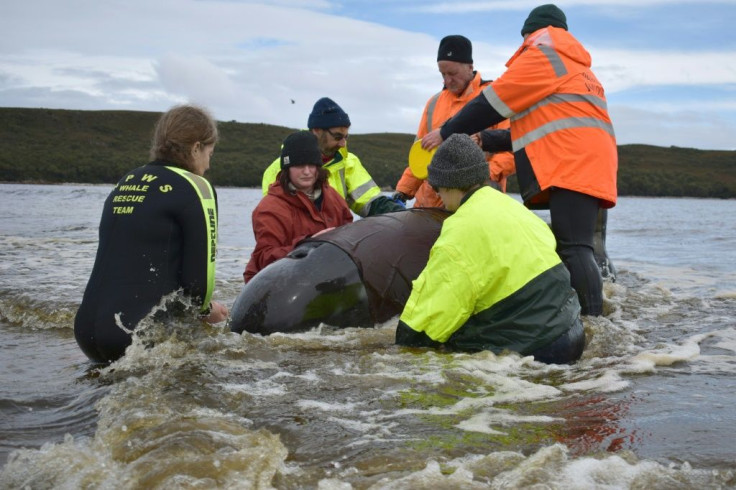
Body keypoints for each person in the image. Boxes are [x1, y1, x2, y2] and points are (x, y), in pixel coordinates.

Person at [421, 4, 617, 316]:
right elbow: (542, 130)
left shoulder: (544, 57)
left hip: (571, 163)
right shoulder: (578, 68)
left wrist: (447, 131)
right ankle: (594, 315)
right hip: (588, 161)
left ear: (530, 34)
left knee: (575, 247)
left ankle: (593, 324)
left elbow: (492, 103)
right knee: (581, 246)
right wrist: (488, 139)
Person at [395, 134, 584, 364]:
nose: (437, 195)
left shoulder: (461, 228)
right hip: (572, 329)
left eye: (437, 187)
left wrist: (404, 348)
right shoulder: (513, 207)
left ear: (448, 184)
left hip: (539, 347)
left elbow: (433, 312)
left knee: (446, 344)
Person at [74, 104, 229, 363]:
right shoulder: (197, 186)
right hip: (135, 333)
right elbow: (199, 281)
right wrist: (207, 311)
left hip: (86, 330)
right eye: (209, 154)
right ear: (195, 148)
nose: (208, 165)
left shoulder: (128, 180)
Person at [393, 35, 515, 207]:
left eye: (452, 73)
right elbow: (419, 155)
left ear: (469, 67)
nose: (447, 80)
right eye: (443, 74)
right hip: (428, 206)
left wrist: (480, 176)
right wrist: (403, 192)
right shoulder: (433, 103)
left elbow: (512, 151)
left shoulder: (494, 98)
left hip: (476, 204)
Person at [261, 97, 404, 217]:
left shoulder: (349, 162)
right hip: (301, 247)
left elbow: (371, 202)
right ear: (316, 131)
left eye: (346, 137)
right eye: (337, 137)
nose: (343, 144)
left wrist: (401, 215)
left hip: (337, 244)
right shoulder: (278, 170)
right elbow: (275, 220)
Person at [245, 131, 353, 283]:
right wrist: (308, 245)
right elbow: (265, 258)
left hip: (321, 279)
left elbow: (350, 237)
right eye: (300, 165)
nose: (307, 171)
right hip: (273, 285)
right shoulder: (269, 208)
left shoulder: (333, 197)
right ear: (287, 168)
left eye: (312, 164)